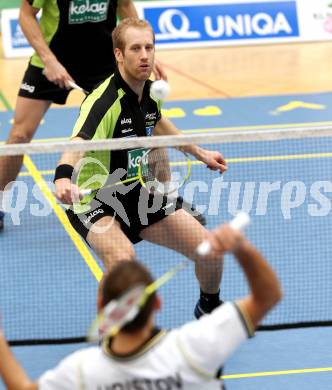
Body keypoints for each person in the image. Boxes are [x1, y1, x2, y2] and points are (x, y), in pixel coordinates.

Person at [54, 17, 228, 318]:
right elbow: (77, 142)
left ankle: (208, 306)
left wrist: (200, 153)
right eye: (136, 48)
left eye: (149, 47)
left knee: (210, 250)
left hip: (136, 194)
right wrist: (62, 178)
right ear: (119, 54)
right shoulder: (104, 101)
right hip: (95, 199)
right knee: (124, 262)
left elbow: (158, 123)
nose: (145, 55)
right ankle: (111, 325)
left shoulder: (147, 91)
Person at [0, 220, 282, 389]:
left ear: (102, 306)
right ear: (157, 302)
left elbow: (21, 387)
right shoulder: (194, 347)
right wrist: (241, 247)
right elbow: (268, 296)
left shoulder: (82, 371)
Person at [0, 0, 169, 231]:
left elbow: (126, 7)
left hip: (102, 64)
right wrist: (49, 60)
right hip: (52, 59)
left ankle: (156, 198)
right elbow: (26, 15)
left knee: (146, 121)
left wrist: (144, 52)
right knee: (19, 135)